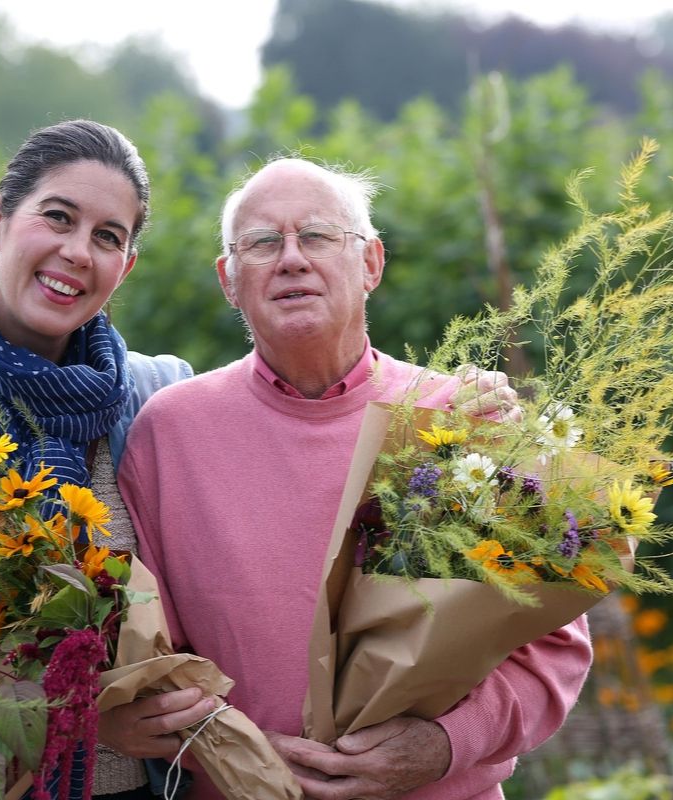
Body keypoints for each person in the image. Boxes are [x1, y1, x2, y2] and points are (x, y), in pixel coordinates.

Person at [114, 157, 594, 799]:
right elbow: (152, 662)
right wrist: (235, 747)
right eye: (262, 242)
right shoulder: (168, 434)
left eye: (315, 235)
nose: (290, 259)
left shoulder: (463, 422)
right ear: (230, 280)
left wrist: (446, 744)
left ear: (371, 262)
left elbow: (554, 649)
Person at [0, 119, 212, 800]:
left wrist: (454, 399)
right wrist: (84, 719)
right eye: (57, 217)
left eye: (107, 237)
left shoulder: (160, 394)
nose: (76, 252)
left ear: (125, 267)